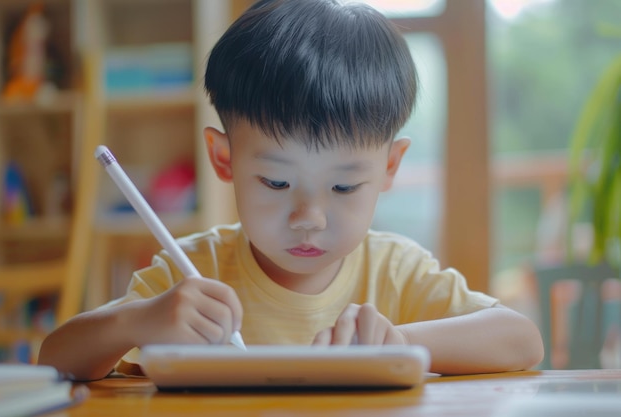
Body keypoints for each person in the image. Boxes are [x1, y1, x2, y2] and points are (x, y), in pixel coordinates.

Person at [38, 0, 543, 381]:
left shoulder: (394, 272)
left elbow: (523, 341)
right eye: (277, 182)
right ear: (224, 159)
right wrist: (135, 323)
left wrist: (398, 343)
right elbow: (53, 360)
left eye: (345, 186)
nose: (310, 217)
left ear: (390, 166)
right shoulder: (189, 275)